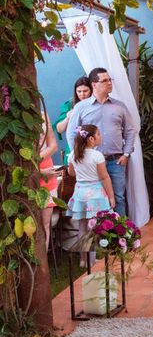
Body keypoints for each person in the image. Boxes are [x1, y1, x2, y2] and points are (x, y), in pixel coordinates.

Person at [67, 67, 135, 217]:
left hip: (115, 161)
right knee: (95, 201)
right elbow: (72, 133)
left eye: (110, 80)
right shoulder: (81, 107)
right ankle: (97, 237)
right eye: (105, 80)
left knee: (118, 198)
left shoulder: (119, 106)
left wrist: (126, 154)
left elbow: (130, 131)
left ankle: (121, 237)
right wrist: (79, 155)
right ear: (94, 84)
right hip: (90, 163)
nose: (109, 83)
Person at [66, 124, 115, 267]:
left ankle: (83, 260)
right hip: (95, 195)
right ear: (91, 139)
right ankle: (91, 261)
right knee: (92, 228)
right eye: (98, 134)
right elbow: (105, 177)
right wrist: (111, 197)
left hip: (80, 193)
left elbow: (71, 173)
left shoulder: (73, 154)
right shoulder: (97, 156)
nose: (100, 136)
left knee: (82, 227)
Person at [53, 76, 93, 165]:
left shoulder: (95, 105)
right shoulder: (70, 104)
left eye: (85, 91)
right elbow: (59, 129)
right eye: (79, 91)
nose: (82, 94)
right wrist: (68, 118)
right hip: (74, 146)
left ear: (91, 90)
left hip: (93, 146)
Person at [39, 113, 58, 250]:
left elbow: (53, 146)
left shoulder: (44, 115)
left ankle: (43, 266)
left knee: (45, 224)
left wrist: (33, 160)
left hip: (47, 173)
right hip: (27, 174)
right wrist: (35, 170)